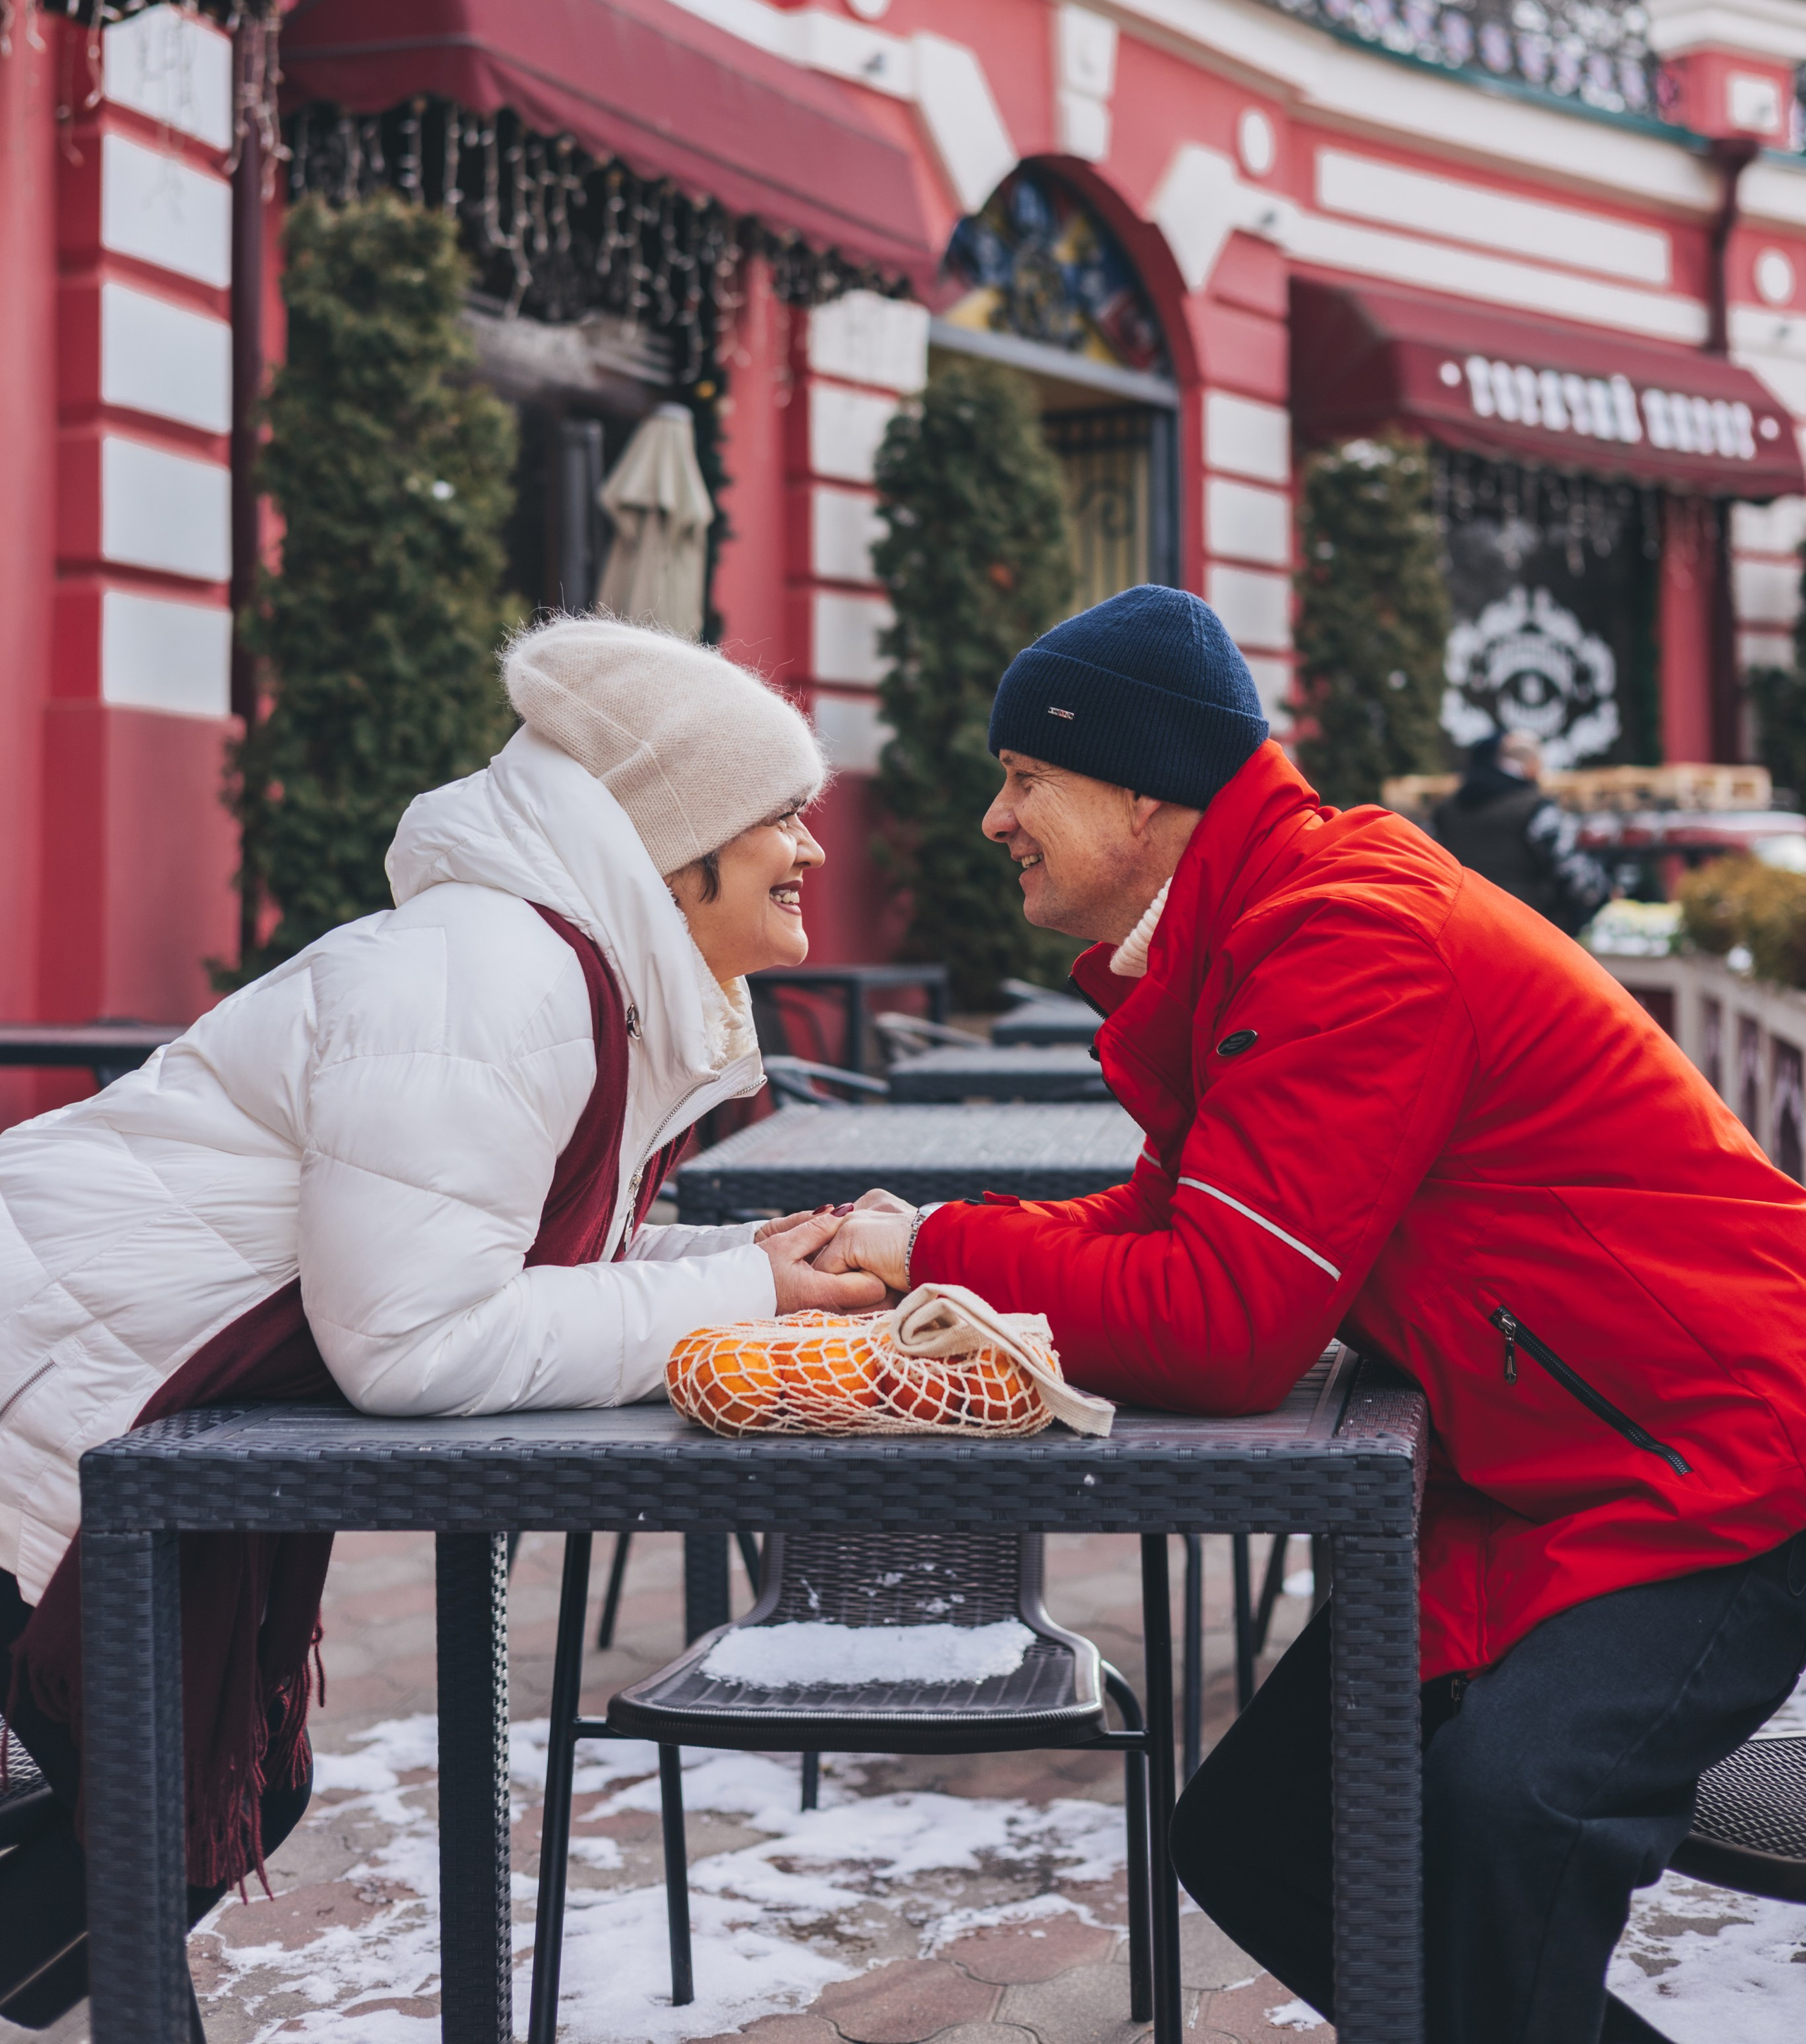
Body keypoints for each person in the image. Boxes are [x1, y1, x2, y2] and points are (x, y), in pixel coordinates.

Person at [813, 584, 1806, 2044]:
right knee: (1263, 1836)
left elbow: (1224, 1325)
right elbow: (1165, 1222)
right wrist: (924, 1247)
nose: (993, 817)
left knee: (1503, 1818)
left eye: (1025, 776)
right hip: (1544, 1461)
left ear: (1143, 791)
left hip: (1718, 1452)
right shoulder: (1268, 923)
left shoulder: (1348, 935)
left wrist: (934, 1249)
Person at [0, 613, 885, 2030]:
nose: (812, 849)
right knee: (160, 1808)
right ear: (678, 842)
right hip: (30, 1410)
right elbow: (415, 1340)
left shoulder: (562, 979)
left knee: (198, 1804)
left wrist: (753, 1263)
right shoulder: (494, 982)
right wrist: (742, 1293)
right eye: (780, 813)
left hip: (78, 1408)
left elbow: (508, 1258)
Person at [1431, 727, 1611, 935]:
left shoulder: (1447, 810)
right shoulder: (1535, 807)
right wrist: (1603, 893)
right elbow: (1574, 873)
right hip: (1525, 928)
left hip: (1463, 925)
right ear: (1532, 765)